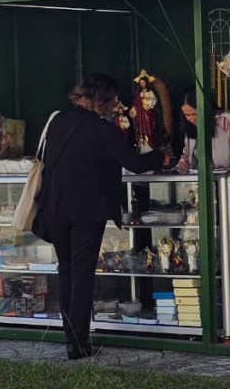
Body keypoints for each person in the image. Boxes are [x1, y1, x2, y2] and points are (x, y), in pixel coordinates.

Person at [34, 73, 164, 360]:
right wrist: (161, 154)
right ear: (103, 102)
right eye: (113, 101)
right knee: (81, 275)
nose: (115, 106)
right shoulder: (103, 131)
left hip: (53, 208)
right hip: (85, 212)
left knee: (66, 271)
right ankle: (78, 343)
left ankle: (71, 337)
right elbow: (137, 164)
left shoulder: (58, 121)